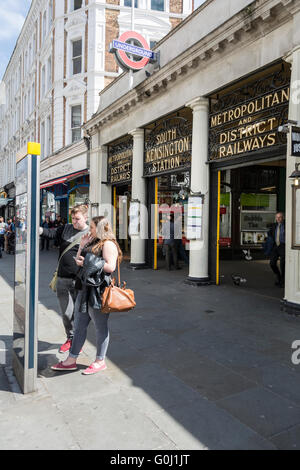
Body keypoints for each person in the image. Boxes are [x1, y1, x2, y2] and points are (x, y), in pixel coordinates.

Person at [51, 216, 121, 375]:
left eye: (92, 227)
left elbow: (110, 267)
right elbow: (78, 261)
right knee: (79, 325)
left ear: (101, 228)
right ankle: (71, 359)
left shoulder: (108, 244)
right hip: (84, 288)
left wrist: (87, 262)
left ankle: (100, 360)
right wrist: (82, 246)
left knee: (100, 326)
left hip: (98, 291)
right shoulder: (93, 242)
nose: (90, 230)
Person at [40, 204, 89, 352]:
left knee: (81, 314)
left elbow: (96, 255)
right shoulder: (65, 229)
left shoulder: (91, 234)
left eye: (78, 219)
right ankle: (71, 338)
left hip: (80, 280)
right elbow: (51, 233)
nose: (74, 222)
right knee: (67, 313)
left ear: (86, 217)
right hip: (62, 278)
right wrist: (39, 230)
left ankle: (78, 341)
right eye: (73, 218)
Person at [268, 212, 285, 287]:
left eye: (280, 217)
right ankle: (278, 276)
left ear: (283, 218)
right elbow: (270, 233)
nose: (278, 219)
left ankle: (283, 280)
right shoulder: (274, 226)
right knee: (272, 263)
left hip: (283, 245)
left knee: (283, 264)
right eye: (277, 217)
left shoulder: (286, 226)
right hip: (275, 246)